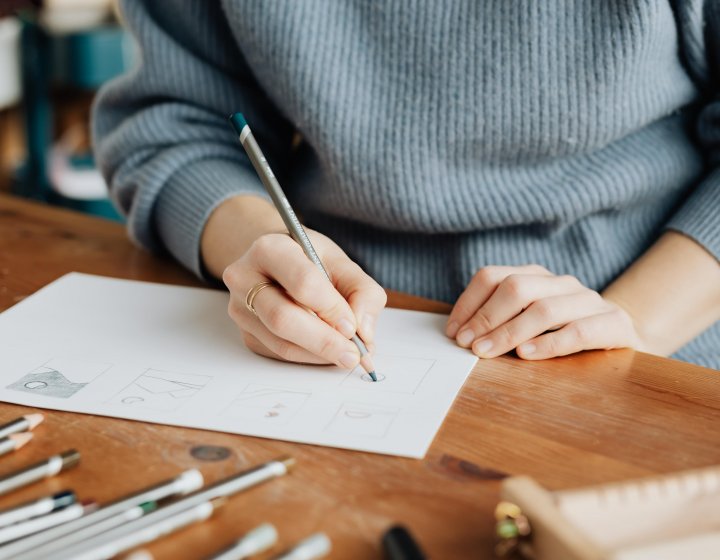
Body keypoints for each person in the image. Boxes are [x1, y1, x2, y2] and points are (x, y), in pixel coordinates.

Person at [93, 1, 720, 370]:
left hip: (656, 333)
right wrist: (259, 250)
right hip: (338, 341)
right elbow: (174, 126)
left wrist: (636, 323)